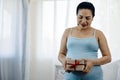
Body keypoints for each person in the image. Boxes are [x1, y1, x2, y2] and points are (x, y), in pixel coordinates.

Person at [58, 1, 111, 80]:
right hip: (71, 77)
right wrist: (64, 61)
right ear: (76, 16)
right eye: (80, 17)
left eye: (87, 18)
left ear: (93, 18)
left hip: (94, 76)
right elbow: (61, 54)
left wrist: (92, 62)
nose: (83, 21)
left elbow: (108, 57)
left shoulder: (98, 34)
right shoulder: (67, 32)